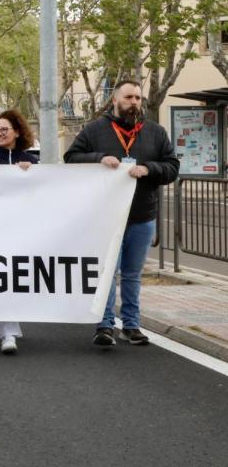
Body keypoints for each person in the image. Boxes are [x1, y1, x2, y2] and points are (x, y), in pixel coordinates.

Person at [65, 80, 178, 347]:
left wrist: (149, 168)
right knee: (108, 273)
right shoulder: (95, 130)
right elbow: (71, 158)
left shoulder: (155, 132)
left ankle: (131, 325)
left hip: (142, 215)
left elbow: (172, 167)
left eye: (138, 98)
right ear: (114, 100)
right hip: (106, 218)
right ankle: (104, 325)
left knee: (132, 274)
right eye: (129, 97)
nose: (135, 102)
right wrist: (99, 158)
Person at [0, 110, 37, 354]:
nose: (0, 133)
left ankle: (12, 327)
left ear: (17, 132)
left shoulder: (31, 161)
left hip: (24, 231)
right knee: (2, 279)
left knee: (18, 279)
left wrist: (33, 172)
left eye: (4, 129)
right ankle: (8, 332)